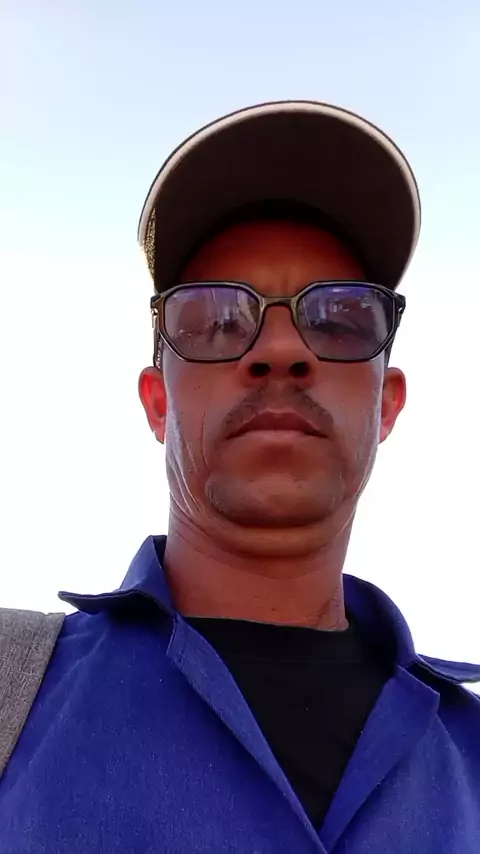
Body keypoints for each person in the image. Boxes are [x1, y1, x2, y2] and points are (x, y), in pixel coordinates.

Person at [1, 101, 479, 854]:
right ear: (158, 403)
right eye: (217, 319)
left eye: (341, 317)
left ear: (387, 403)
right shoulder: (12, 689)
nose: (281, 350)